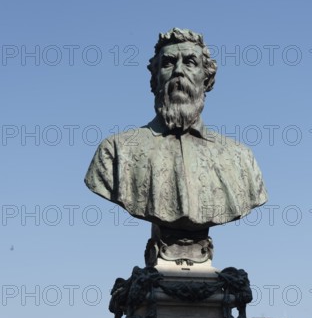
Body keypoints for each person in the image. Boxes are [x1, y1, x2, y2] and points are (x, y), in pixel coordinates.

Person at [85, 28, 267, 264]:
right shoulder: (116, 151)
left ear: (207, 78)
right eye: (169, 63)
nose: (179, 71)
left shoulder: (240, 158)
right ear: (155, 77)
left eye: (190, 62)